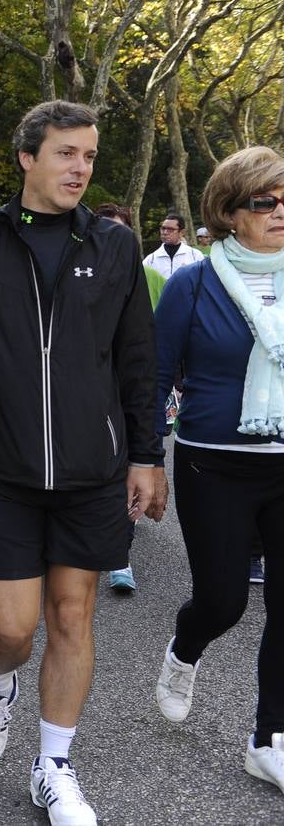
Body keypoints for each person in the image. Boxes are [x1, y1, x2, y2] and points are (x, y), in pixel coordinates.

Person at [0, 101, 164, 826]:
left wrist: (147, 453)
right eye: (66, 153)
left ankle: (54, 767)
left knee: (73, 615)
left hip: (92, 468)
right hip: (0, 464)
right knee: (14, 629)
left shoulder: (115, 246)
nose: (80, 167)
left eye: (88, 155)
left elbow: (137, 358)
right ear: (27, 157)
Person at [150, 147, 284, 792]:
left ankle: (268, 740)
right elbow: (152, 374)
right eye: (266, 200)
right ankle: (185, 646)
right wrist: (145, 458)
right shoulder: (193, 284)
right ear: (230, 214)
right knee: (224, 600)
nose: (280, 210)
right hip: (215, 464)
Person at [91, 201, 168, 593]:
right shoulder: (80, 278)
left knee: (130, 472)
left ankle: (121, 558)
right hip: (91, 396)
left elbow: (162, 343)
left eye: (119, 231)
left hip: (134, 392)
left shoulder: (152, 278)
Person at [143, 211, 205, 278]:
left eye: (170, 229)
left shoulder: (195, 256)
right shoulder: (151, 259)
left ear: (181, 232)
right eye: (163, 228)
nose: (165, 232)